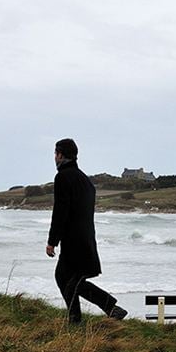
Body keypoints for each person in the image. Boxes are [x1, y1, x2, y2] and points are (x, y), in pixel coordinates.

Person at [47, 138, 126, 323]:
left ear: (60, 154)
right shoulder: (85, 180)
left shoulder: (63, 177)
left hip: (73, 241)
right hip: (85, 238)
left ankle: (81, 317)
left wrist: (52, 241)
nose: (55, 157)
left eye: (55, 153)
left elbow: (61, 211)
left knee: (70, 282)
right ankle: (106, 309)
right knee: (65, 278)